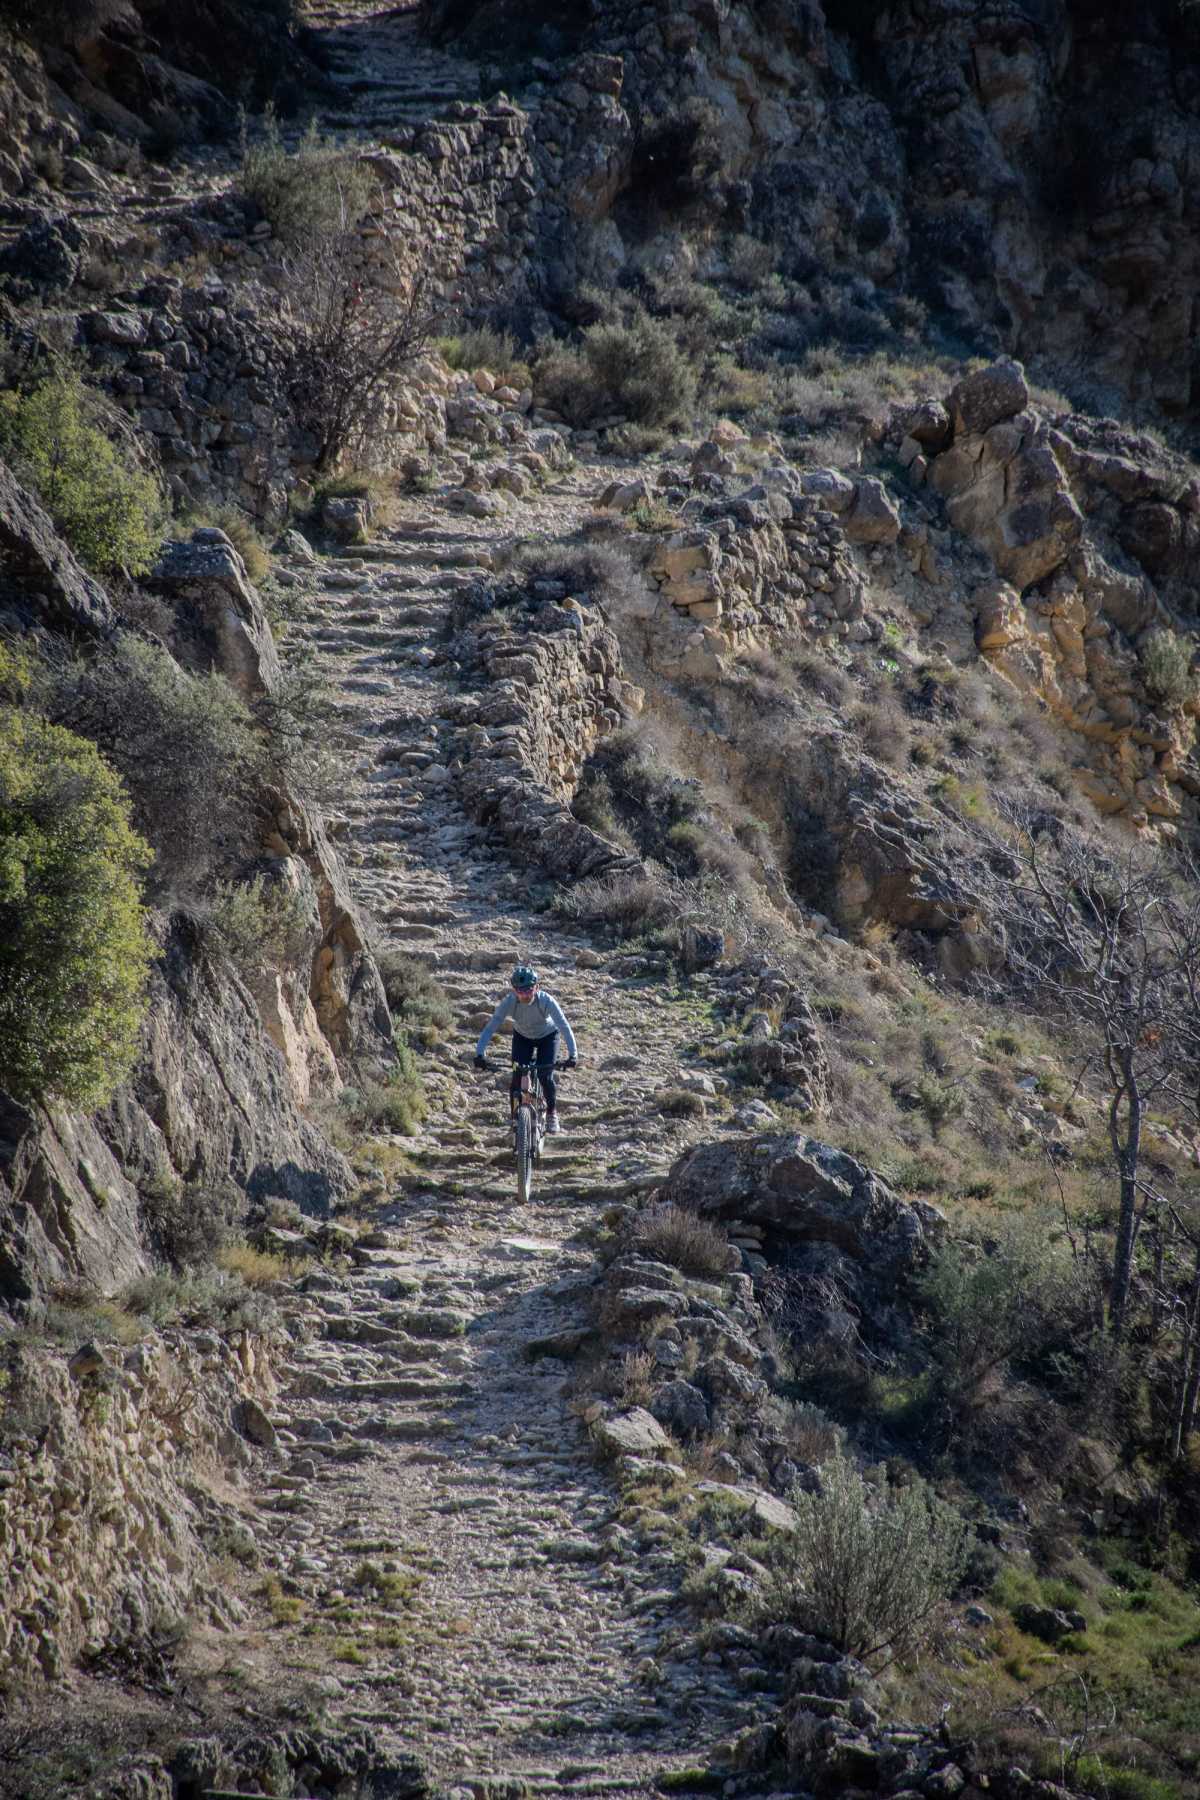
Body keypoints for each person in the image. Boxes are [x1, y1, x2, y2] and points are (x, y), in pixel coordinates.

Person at [474, 964, 577, 1134]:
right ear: (514, 990)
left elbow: (564, 1026)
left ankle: (552, 1113)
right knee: (517, 1076)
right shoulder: (509, 1002)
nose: (524, 995)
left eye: (529, 990)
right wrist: (479, 1053)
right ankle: (516, 1117)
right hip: (523, 1038)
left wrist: (573, 1055)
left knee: (545, 1075)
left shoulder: (546, 1001)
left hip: (548, 1036)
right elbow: (491, 1027)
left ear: (537, 987)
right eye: (520, 991)